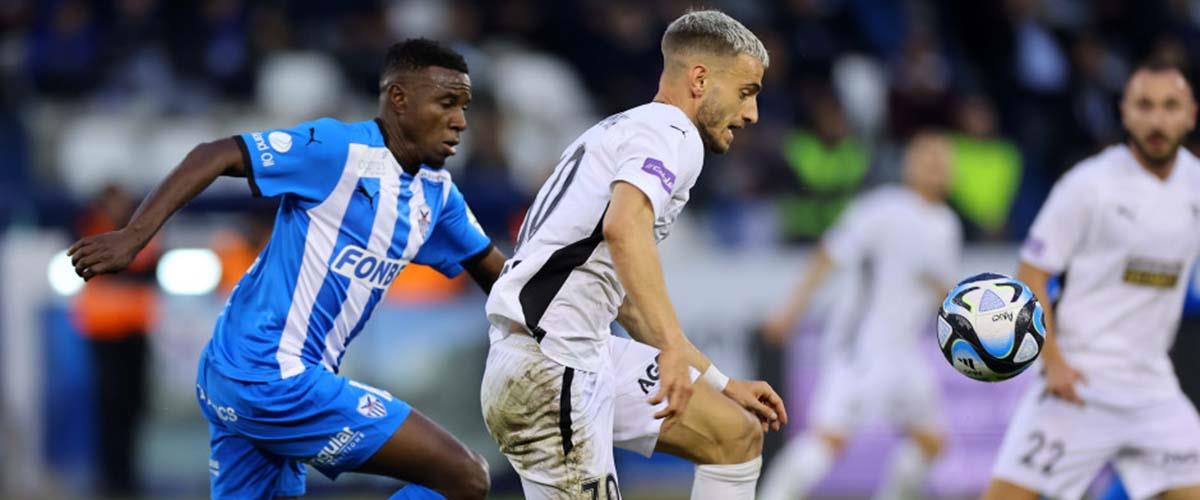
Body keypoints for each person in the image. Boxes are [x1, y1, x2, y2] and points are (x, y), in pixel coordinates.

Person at [67, 39, 507, 500]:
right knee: (465, 477)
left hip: (237, 373)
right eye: (446, 103)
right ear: (399, 99)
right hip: (273, 377)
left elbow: (503, 282)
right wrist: (133, 237)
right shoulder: (339, 150)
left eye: (464, 107)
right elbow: (214, 154)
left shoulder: (438, 197)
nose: (460, 121)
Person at [480, 10, 787, 500]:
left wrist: (720, 381)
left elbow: (623, 298)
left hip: (581, 351)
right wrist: (671, 349)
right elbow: (623, 229)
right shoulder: (673, 133)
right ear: (700, 80)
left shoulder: (623, 129)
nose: (751, 113)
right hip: (551, 371)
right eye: (746, 92)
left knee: (735, 434)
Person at [984, 62, 1200, 500]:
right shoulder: (1088, 185)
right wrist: (1052, 362)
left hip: (1153, 387)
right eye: (1145, 106)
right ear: (1125, 113)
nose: (1157, 120)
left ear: (1191, 114)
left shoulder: (1195, 183)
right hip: (1080, 382)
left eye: (1170, 106)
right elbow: (1031, 275)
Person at [757, 133, 962, 500]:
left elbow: (940, 290)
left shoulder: (947, 225)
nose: (936, 167)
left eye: (942, 160)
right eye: (927, 158)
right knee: (829, 440)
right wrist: (789, 312)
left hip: (905, 352)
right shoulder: (883, 209)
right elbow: (829, 256)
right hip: (861, 348)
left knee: (932, 443)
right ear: (908, 165)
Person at [73, 183, 161, 496]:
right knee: (109, 407)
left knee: (134, 406)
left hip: (135, 331)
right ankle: (109, 478)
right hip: (104, 332)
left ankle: (128, 476)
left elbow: (149, 271)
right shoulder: (89, 228)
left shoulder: (140, 230)